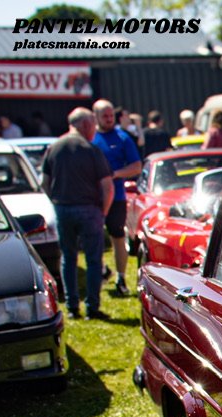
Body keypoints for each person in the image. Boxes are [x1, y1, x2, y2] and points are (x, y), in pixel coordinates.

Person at [41, 107, 112, 319]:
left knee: (68, 257)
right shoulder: (91, 150)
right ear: (87, 125)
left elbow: (44, 183)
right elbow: (108, 187)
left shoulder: (53, 148)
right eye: (94, 126)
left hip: (63, 209)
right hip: (89, 209)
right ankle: (92, 307)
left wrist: (57, 203)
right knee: (93, 260)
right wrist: (103, 213)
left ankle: (72, 307)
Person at [92, 99, 142, 296]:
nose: (109, 119)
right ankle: (103, 270)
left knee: (118, 236)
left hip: (117, 196)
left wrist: (115, 174)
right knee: (93, 236)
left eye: (111, 115)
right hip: (93, 198)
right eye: (104, 116)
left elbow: (136, 166)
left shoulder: (122, 138)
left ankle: (121, 277)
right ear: (95, 117)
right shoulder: (90, 137)